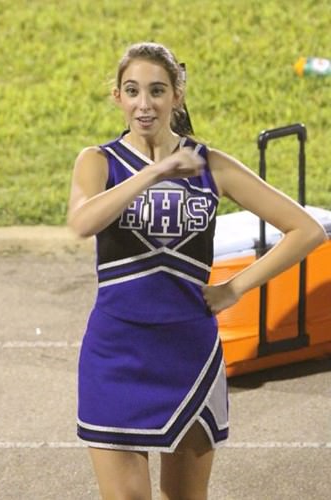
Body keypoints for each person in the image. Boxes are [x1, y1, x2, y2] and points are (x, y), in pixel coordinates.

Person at [67, 42, 326, 500]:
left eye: (157, 90)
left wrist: (235, 288)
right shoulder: (99, 162)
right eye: (133, 91)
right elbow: (82, 222)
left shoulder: (211, 165)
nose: (144, 104)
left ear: (177, 95)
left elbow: (306, 230)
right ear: (117, 97)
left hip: (188, 353)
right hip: (116, 352)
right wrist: (155, 171)